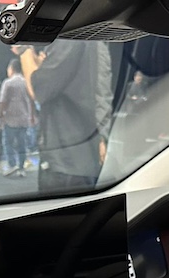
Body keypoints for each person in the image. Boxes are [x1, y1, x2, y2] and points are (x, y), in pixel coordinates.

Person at [15, 40, 105, 194]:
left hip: (65, 160)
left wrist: (24, 49)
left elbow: (38, 90)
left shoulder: (68, 41)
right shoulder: (91, 42)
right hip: (81, 155)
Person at [0, 59, 34, 178]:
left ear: (11, 69)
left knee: (8, 143)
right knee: (22, 144)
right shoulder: (26, 82)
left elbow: (3, 100)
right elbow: (32, 100)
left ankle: (12, 165)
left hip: (10, 118)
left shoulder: (8, 83)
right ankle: (21, 168)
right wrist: (32, 115)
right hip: (24, 118)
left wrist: (0, 114)